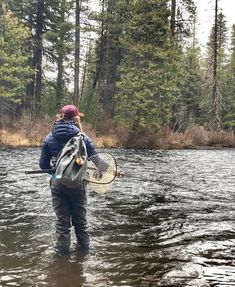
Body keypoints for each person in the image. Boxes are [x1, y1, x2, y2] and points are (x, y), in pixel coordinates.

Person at [39, 104, 97, 255]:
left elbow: (43, 165)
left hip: (57, 183)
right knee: (81, 223)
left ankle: (62, 260)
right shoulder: (82, 138)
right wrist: (114, 171)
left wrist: (58, 173)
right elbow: (98, 163)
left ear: (61, 116)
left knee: (62, 224)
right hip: (77, 185)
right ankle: (84, 257)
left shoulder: (49, 137)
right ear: (76, 118)